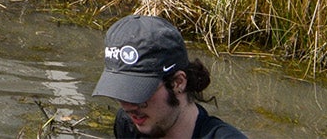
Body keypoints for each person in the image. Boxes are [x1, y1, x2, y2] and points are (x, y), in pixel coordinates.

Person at [93, 14, 246, 138]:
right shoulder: (128, 124)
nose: (128, 107)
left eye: (138, 93)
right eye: (120, 93)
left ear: (178, 83)